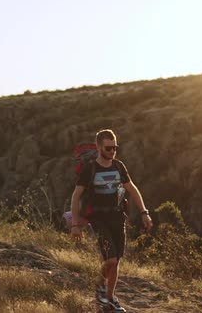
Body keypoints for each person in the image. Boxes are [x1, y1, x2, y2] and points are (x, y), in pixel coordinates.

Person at [70, 129, 153, 312]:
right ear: (99, 147)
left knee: (116, 262)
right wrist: (75, 225)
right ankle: (100, 285)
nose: (112, 151)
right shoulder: (90, 169)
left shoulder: (119, 166)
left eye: (115, 147)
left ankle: (109, 300)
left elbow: (132, 189)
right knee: (111, 260)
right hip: (99, 219)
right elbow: (76, 197)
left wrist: (144, 212)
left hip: (118, 218)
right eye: (108, 148)